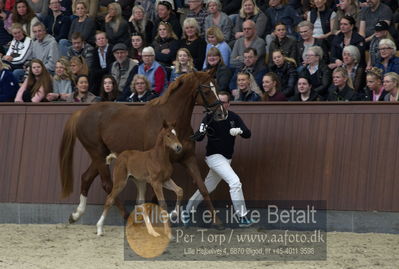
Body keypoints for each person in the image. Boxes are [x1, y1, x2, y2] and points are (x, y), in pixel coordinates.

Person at [186, 91, 253, 227]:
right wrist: (202, 129)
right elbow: (198, 138)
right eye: (218, 102)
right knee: (235, 182)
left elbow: (248, 134)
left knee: (207, 187)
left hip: (226, 159)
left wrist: (239, 131)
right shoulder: (209, 117)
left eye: (223, 102)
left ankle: (187, 210)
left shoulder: (234, 117)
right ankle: (243, 217)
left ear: (228, 104)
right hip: (214, 157)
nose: (220, 105)